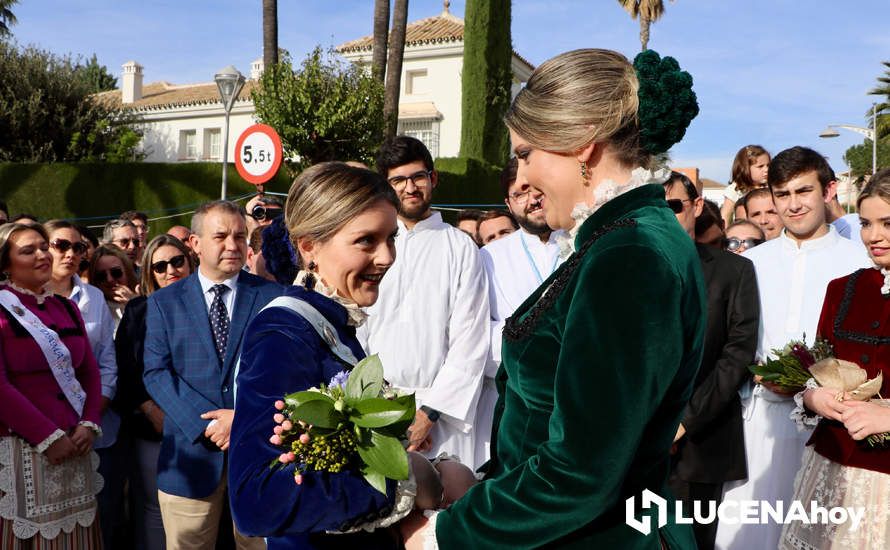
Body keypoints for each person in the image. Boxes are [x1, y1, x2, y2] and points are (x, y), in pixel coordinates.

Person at [403, 47, 704, 549]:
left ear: (583, 142)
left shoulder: (628, 253)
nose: (521, 178)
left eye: (525, 154)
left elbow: (581, 469)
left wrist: (449, 533)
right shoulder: (625, 237)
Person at [229, 162, 406, 549]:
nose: (386, 256)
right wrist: (400, 483)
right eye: (366, 241)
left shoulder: (333, 319)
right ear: (309, 246)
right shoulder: (283, 333)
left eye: (391, 238)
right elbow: (255, 501)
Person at [715, 147, 872, 550]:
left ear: (829, 190)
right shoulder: (750, 263)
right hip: (756, 426)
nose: (793, 204)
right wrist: (757, 375)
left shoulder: (862, 263)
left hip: (833, 432)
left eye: (803, 191)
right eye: (782, 195)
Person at [143, 200, 281, 550]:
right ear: (195, 243)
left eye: (240, 236)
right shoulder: (164, 302)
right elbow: (156, 372)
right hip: (189, 459)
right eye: (220, 236)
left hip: (259, 456)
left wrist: (243, 418)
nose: (233, 245)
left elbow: (282, 372)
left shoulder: (273, 297)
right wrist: (207, 424)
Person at [359, 136, 490, 468]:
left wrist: (429, 413)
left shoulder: (460, 247)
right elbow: (358, 322)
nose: (410, 187)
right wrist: (370, 401)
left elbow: (470, 339)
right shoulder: (370, 245)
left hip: (442, 416)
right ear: (386, 187)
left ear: (433, 178)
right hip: (374, 408)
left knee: (441, 510)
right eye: (398, 180)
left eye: (418, 176)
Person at [780, 168, 890, 549]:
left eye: (887, 222)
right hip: (830, 471)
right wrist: (815, 398)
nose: (874, 235)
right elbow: (816, 373)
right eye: (866, 223)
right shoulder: (843, 289)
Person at [663, 172, 759, 550]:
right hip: (636, 447)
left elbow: (737, 353)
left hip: (701, 445)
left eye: (673, 206)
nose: (664, 216)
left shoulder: (734, 271)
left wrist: (684, 421)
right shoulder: (630, 272)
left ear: (697, 206)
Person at [0, 222, 104, 548]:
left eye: (44, 247)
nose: (42, 255)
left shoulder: (67, 307)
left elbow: (89, 372)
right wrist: (47, 436)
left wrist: (89, 423)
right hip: (23, 448)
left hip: (76, 446)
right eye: (28, 251)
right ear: (5, 264)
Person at [477, 156, 564, 466]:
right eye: (520, 192)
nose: (532, 199)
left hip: (573, 392)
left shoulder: (580, 241)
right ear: (508, 204)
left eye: (536, 188)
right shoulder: (490, 257)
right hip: (515, 395)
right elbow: (478, 329)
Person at [44, 220, 123, 549]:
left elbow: (107, 363)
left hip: (93, 430)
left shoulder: (92, 296)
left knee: (101, 519)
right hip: (40, 431)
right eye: (61, 245)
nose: (71, 253)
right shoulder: (16, 300)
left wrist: (90, 420)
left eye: (78, 248)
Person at [116, 234, 196, 550]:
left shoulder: (208, 307)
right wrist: (151, 410)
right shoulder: (138, 311)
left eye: (177, 261)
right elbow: (127, 367)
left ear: (190, 261)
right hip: (154, 426)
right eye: (159, 266)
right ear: (150, 272)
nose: (170, 270)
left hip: (205, 425)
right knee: (154, 507)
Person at [88, 244, 138, 329]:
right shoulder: (92, 310)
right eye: (101, 276)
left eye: (116, 272)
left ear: (127, 271)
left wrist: (136, 305)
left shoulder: (146, 300)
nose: (109, 279)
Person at [720, 145, 770, 225]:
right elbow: (725, 216)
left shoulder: (770, 187)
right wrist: (724, 236)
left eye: (768, 165)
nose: (766, 170)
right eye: (760, 166)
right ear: (745, 168)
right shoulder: (736, 189)